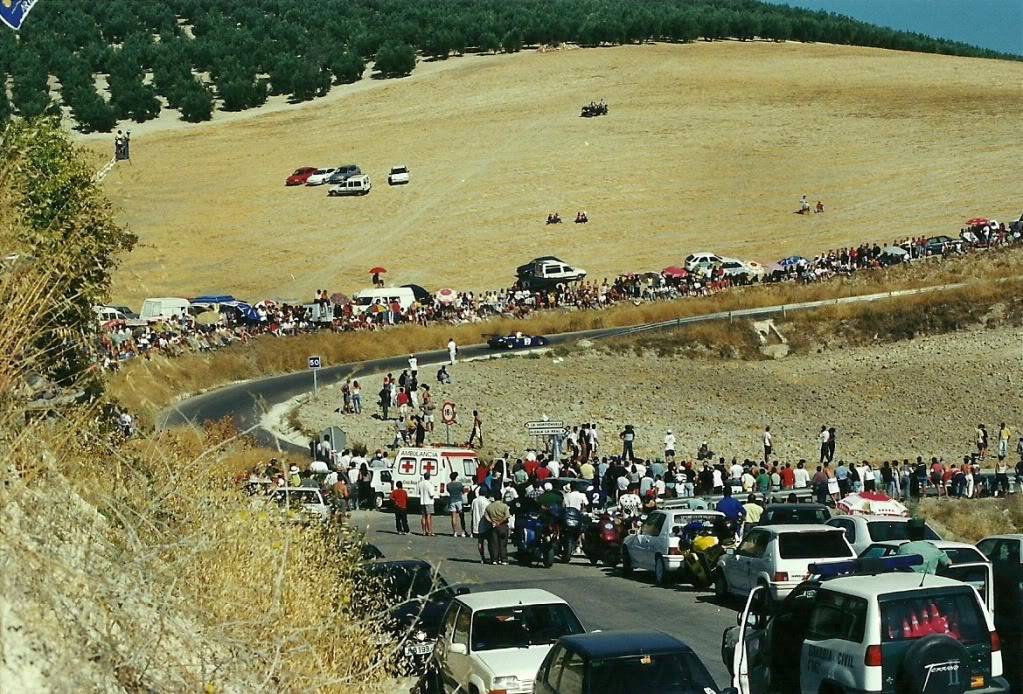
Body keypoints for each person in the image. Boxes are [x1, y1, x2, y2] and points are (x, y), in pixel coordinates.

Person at [484, 496, 511, 564]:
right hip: (503, 526)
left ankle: (494, 559)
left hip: (493, 526)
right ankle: (503, 559)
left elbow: (486, 515)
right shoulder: (504, 506)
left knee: (494, 543)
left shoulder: (489, 506)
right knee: (503, 543)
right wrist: (500, 521)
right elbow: (507, 516)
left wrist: (491, 521)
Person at [471, 489, 493, 563]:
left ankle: (482, 558)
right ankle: (492, 556)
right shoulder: (487, 501)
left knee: (480, 541)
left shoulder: (474, 501)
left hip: (476, 523)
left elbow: (472, 511)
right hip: (486, 524)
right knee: (490, 541)